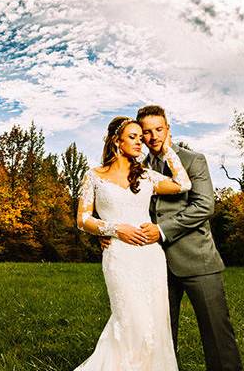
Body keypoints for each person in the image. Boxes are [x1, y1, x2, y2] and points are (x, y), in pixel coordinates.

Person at [100, 105, 243, 371]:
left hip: (198, 261)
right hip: (153, 266)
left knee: (217, 335)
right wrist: (109, 233)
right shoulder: (136, 169)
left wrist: (162, 230)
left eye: (159, 130)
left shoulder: (193, 160)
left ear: (168, 129)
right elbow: (121, 206)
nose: (153, 137)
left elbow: (204, 206)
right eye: (146, 132)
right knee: (160, 337)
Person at [74, 116, 191, 370]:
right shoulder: (93, 176)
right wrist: (116, 229)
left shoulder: (146, 176)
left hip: (150, 257)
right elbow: (83, 220)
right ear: (117, 141)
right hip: (119, 256)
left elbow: (183, 184)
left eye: (142, 137)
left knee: (155, 325)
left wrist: (166, 149)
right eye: (133, 137)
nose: (141, 142)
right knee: (130, 322)